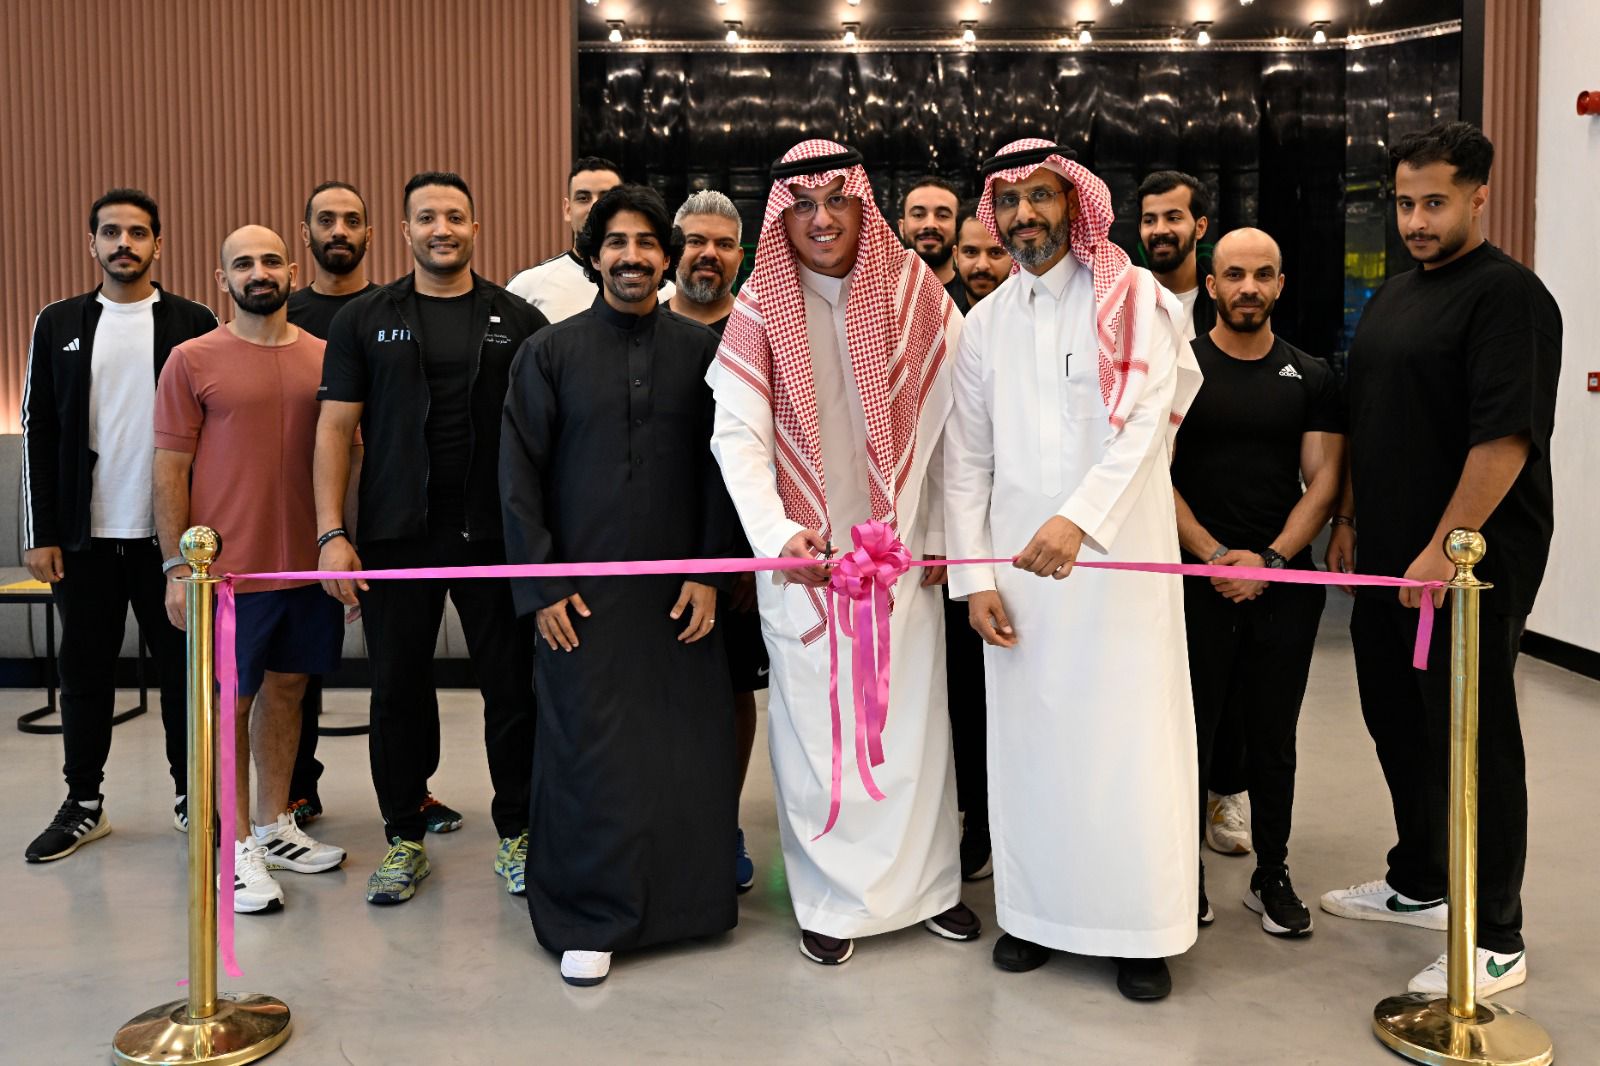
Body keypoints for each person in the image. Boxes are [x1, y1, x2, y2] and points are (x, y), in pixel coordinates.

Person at [944, 138, 1202, 1000]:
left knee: (1128, 750)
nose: (1024, 214)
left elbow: (1145, 430)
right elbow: (967, 462)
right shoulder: (984, 326)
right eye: (1008, 200)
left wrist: (1078, 521)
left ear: (1075, 203)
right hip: (1020, 580)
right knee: (1030, 751)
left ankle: (1140, 932)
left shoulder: (1135, 298)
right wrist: (974, 579)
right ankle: (1034, 917)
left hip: (1121, 570)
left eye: (1041, 196)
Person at [708, 139, 977, 966]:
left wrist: (942, 541)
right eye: (802, 205)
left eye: (837, 201)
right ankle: (830, 902)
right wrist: (776, 537)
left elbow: (955, 431)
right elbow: (737, 437)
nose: (821, 219)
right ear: (781, 217)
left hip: (904, 556)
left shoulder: (916, 293)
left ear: (864, 204)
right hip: (808, 560)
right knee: (818, 736)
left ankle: (929, 891)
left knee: (914, 730)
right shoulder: (760, 307)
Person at [1321, 122, 1560, 997]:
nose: (1416, 221)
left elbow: (1505, 440)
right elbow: (1366, 417)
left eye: (1435, 203)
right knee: (1396, 719)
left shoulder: (1508, 297)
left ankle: (1495, 933)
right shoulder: (1394, 297)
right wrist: (1349, 518)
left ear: (1478, 197)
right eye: (1404, 203)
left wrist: (1441, 551)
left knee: (1473, 741)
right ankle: (1422, 880)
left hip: (1468, 569)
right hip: (1389, 561)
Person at [501, 183, 738, 988]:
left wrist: (709, 571)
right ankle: (589, 916)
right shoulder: (548, 353)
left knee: (682, 751)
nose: (632, 257)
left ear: (665, 258)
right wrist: (541, 584)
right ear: (594, 256)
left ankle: (688, 909)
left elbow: (727, 471)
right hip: (581, 602)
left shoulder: (704, 355)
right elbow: (518, 475)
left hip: (681, 601)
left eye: (646, 244)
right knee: (589, 755)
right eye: (616, 243)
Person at [315, 171, 548, 905]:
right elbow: (334, 430)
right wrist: (332, 533)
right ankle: (404, 836)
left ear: (475, 228)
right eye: (426, 217)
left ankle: (519, 831)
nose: (441, 228)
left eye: (454, 216)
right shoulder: (364, 319)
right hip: (395, 536)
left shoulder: (519, 319)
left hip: (495, 536)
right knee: (397, 689)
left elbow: (546, 436)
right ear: (405, 231)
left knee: (511, 689)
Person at [153, 225, 348, 913]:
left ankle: (272, 825)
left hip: (307, 569)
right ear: (223, 278)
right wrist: (177, 566)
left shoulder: (328, 357)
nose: (258, 272)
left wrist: (342, 545)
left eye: (270, 260)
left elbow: (348, 454)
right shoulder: (190, 359)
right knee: (229, 707)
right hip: (229, 575)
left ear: (292, 271)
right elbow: (169, 468)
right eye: (243, 263)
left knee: (288, 693)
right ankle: (232, 846)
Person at [22, 189, 217, 863]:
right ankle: (84, 802)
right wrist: (41, 531)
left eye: (137, 232)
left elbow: (215, 433)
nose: (124, 243)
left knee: (185, 674)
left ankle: (193, 796)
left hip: (173, 541)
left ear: (158, 244)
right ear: (93, 244)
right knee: (84, 671)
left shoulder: (194, 321)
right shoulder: (58, 323)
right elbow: (39, 430)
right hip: (86, 538)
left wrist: (205, 539)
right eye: (111, 232)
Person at [1171, 228, 1344, 937]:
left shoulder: (1311, 375)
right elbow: (1153, 474)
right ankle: (1181, 874)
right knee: (1191, 732)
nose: (1249, 287)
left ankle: (1271, 872)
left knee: (1274, 737)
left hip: (1283, 586)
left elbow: (1324, 480)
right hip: (1192, 581)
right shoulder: (1177, 369)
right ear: (1211, 285)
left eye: (1263, 274)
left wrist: (1269, 560)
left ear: (1280, 284)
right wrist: (1214, 554)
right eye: (1235, 275)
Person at [1138, 169, 1244, 855]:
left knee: (1224, 676)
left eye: (1173, 218)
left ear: (1199, 227)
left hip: (1214, 518)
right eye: (1149, 219)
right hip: (1140, 523)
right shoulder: (1123, 301)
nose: (1160, 231)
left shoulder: (1225, 307)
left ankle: (1226, 794)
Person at [665, 189, 765, 893]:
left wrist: (756, 555)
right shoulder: (640, 322)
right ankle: (664, 825)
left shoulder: (760, 330)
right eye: (696, 240)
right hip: (653, 548)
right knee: (656, 696)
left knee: (731, 690)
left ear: (740, 254)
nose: (709, 254)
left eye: (724, 244)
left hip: (739, 552)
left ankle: (720, 826)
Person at [282, 179, 379, 830]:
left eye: (350, 220)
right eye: (325, 220)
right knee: (295, 671)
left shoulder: (392, 309)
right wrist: (327, 527)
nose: (338, 230)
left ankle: (412, 795)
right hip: (305, 519)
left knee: (400, 668)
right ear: (307, 234)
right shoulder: (281, 315)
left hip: (386, 515)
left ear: (369, 234)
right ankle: (295, 788)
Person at [506, 156, 674, 322]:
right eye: (583, 198)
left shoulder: (665, 290)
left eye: (606, 197)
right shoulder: (526, 287)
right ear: (567, 209)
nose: (594, 206)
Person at [949, 198, 1012, 316]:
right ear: (956, 256)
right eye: (971, 252)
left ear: (1014, 258)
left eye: (995, 253)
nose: (982, 265)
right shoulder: (944, 321)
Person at [898, 175, 961, 289]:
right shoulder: (880, 294)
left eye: (942, 215)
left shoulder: (975, 297)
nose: (930, 224)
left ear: (959, 227)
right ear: (901, 227)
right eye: (918, 215)